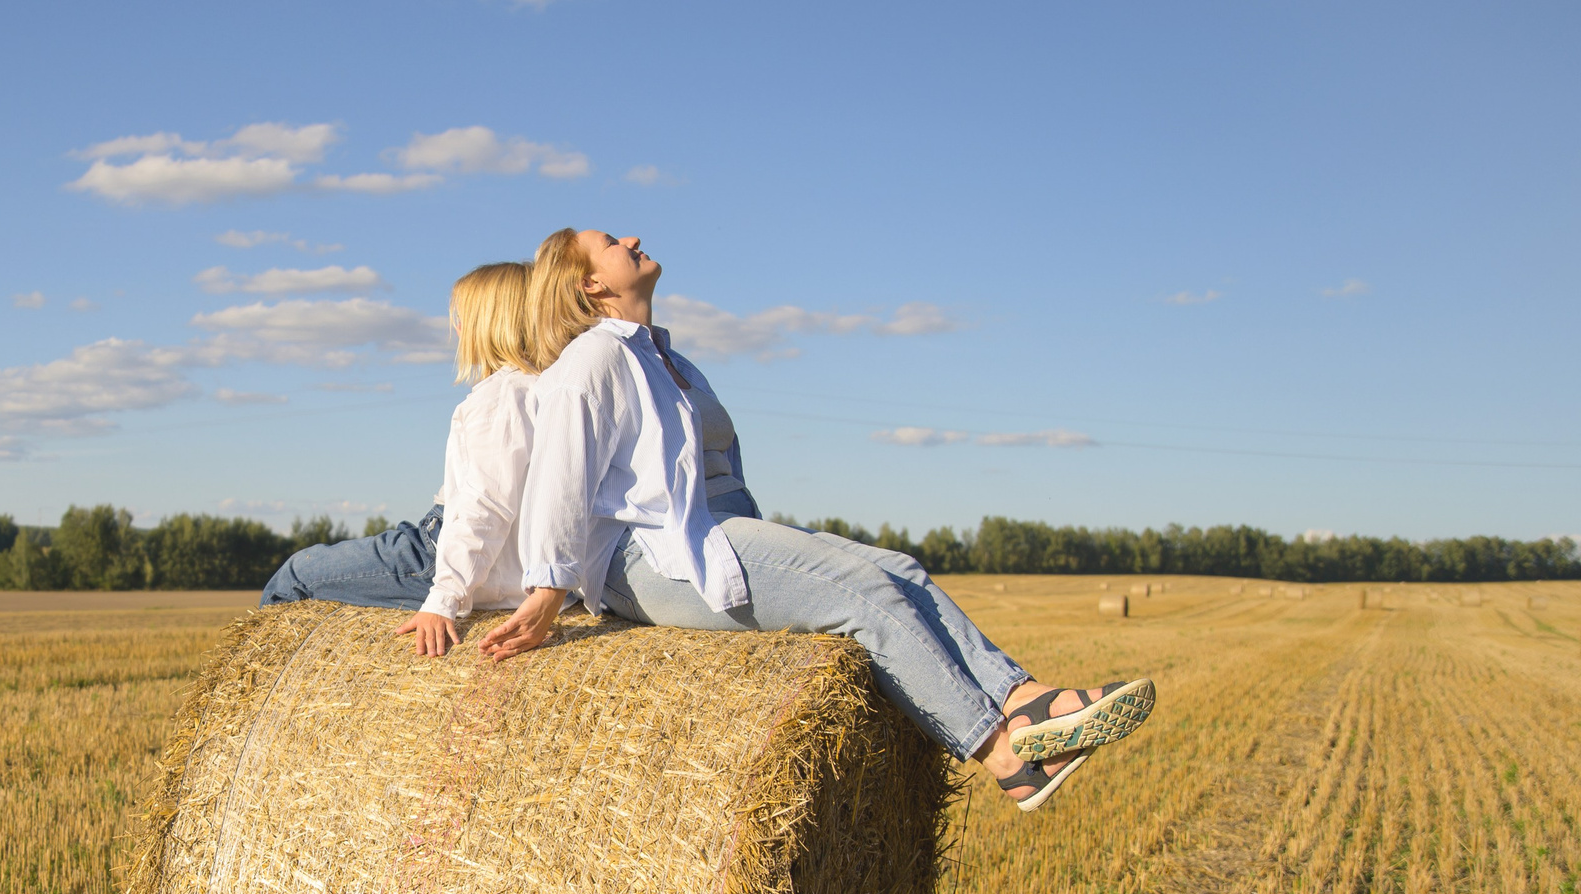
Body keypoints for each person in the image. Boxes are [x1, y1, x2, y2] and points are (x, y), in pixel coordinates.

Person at [475, 228, 1153, 810]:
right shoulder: (592, 357)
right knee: (857, 593)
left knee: (898, 570)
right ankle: (1006, 756)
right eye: (611, 243)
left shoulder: (667, 359)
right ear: (590, 285)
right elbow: (558, 473)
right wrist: (547, 590)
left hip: (712, 532)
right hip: (652, 557)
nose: (632, 240)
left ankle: (1023, 699)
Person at [259, 263, 541, 651]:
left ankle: (279, 702)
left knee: (296, 575)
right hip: (514, 562)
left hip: (438, 550)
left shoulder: (499, 399)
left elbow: (482, 506)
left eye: (461, 318)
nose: (457, 330)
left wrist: (444, 599)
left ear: (487, 324)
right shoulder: (549, 391)